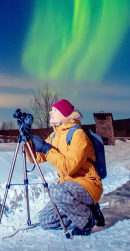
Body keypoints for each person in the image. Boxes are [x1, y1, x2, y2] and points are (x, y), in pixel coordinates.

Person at [26, 99, 104, 235]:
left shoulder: (78, 134)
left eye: (54, 109)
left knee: (57, 191)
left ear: (64, 113)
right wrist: (27, 139)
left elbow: (69, 167)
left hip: (87, 185)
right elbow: (35, 158)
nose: (50, 112)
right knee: (45, 220)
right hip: (67, 189)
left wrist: (46, 148)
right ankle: (87, 209)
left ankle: (86, 221)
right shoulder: (54, 136)